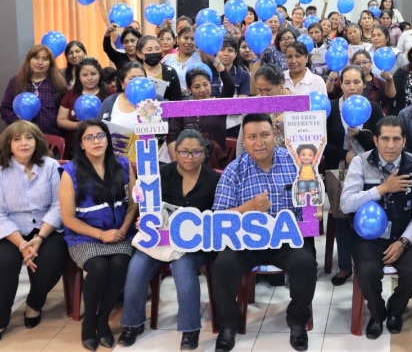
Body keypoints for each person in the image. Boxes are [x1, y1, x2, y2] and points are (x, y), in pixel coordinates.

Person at [210, 113, 316, 352]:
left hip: (286, 239)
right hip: (245, 241)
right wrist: (248, 208)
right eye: (252, 137)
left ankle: (297, 319)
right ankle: (229, 323)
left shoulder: (296, 162)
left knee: (305, 263)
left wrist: (312, 211)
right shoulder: (234, 170)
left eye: (265, 135)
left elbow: (308, 203)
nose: (260, 142)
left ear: (274, 136)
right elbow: (219, 218)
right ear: (244, 141)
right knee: (222, 265)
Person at [117, 130, 220, 349]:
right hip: (160, 239)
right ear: (175, 152)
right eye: (183, 152)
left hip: (196, 243)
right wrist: (143, 221)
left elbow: (218, 217)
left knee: (183, 268)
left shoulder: (214, 180)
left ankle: (190, 329)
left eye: (195, 152)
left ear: (204, 153)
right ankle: (133, 323)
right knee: (136, 267)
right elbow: (146, 208)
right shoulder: (160, 175)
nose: (189, 157)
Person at [340, 116, 412, 339]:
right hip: (369, 236)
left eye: (396, 139)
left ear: (404, 140)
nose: (390, 145)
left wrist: (404, 241)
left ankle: (396, 310)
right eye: (385, 139)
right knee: (367, 272)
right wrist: (382, 189)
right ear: (375, 140)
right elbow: (346, 203)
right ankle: (377, 314)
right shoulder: (360, 162)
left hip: (403, 235)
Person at [0, 121, 67, 345]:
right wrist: (22, 244)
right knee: (4, 263)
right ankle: (0, 319)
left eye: (29, 138)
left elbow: (60, 205)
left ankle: (34, 303)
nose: (24, 143)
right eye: (17, 139)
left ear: (37, 141)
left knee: (52, 260)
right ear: (8, 144)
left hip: (45, 227)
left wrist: (39, 238)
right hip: (8, 230)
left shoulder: (50, 166)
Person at [58, 119, 137, 350]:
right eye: (89, 137)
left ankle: (103, 322)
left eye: (100, 135)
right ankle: (89, 323)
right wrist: (101, 235)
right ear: (81, 144)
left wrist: (122, 230)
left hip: (120, 233)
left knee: (121, 261)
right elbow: (69, 218)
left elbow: (133, 204)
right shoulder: (70, 171)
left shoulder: (123, 164)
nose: (96, 141)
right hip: (84, 236)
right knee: (99, 267)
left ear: (108, 139)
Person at [322, 65, 384, 285]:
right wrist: (344, 154)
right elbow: (322, 143)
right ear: (340, 84)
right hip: (337, 168)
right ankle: (345, 266)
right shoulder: (329, 108)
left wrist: (359, 134)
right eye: (347, 82)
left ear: (364, 83)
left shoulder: (373, 109)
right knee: (341, 217)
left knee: (367, 214)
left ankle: (367, 263)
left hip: (370, 169)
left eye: (356, 82)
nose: (352, 87)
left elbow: (380, 144)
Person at [167, 62, 234, 160]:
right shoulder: (182, 108)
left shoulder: (219, 105)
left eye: (205, 84)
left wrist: (215, 60)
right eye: (197, 87)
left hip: (215, 162)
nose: (202, 90)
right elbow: (172, 137)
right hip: (188, 161)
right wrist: (177, 166)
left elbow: (229, 86)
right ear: (189, 89)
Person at [0, 45, 66, 136]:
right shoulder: (16, 81)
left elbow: (65, 112)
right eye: (36, 57)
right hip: (23, 136)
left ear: (50, 63)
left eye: (45, 59)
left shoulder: (58, 83)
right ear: (29, 60)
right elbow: (5, 109)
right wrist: (20, 122)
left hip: (52, 137)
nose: (40, 62)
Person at [57, 57, 111, 158]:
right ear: (79, 77)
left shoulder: (110, 92)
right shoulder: (70, 95)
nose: (89, 78)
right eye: (85, 75)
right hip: (76, 148)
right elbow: (61, 120)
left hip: (104, 146)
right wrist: (78, 125)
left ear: (99, 74)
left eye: (93, 74)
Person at [97, 62, 147, 129]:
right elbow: (98, 128)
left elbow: (165, 127)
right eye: (132, 78)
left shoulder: (157, 99)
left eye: (141, 78)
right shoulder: (110, 102)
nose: (137, 82)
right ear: (122, 83)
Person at [136, 35, 183, 102]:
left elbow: (177, 101)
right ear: (139, 54)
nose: (154, 52)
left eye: (157, 49)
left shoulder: (170, 72)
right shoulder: (135, 74)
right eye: (149, 50)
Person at [161, 25, 203, 96]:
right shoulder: (168, 59)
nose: (189, 42)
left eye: (192, 39)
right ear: (177, 39)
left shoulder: (201, 56)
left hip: (194, 101)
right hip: (171, 101)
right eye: (185, 38)